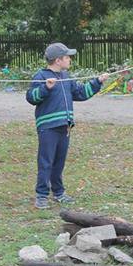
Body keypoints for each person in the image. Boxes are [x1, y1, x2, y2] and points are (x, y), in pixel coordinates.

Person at [26, 42, 108, 209]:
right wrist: (45, 88)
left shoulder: (66, 77)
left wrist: (97, 82)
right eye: (67, 57)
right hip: (48, 127)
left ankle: (58, 192)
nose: (70, 59)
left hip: (65, 126)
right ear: (58, 60)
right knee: (46, 162)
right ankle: (41, 195)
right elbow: (31, 97)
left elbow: (82, 93)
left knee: (59, 162)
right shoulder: (41, 76)